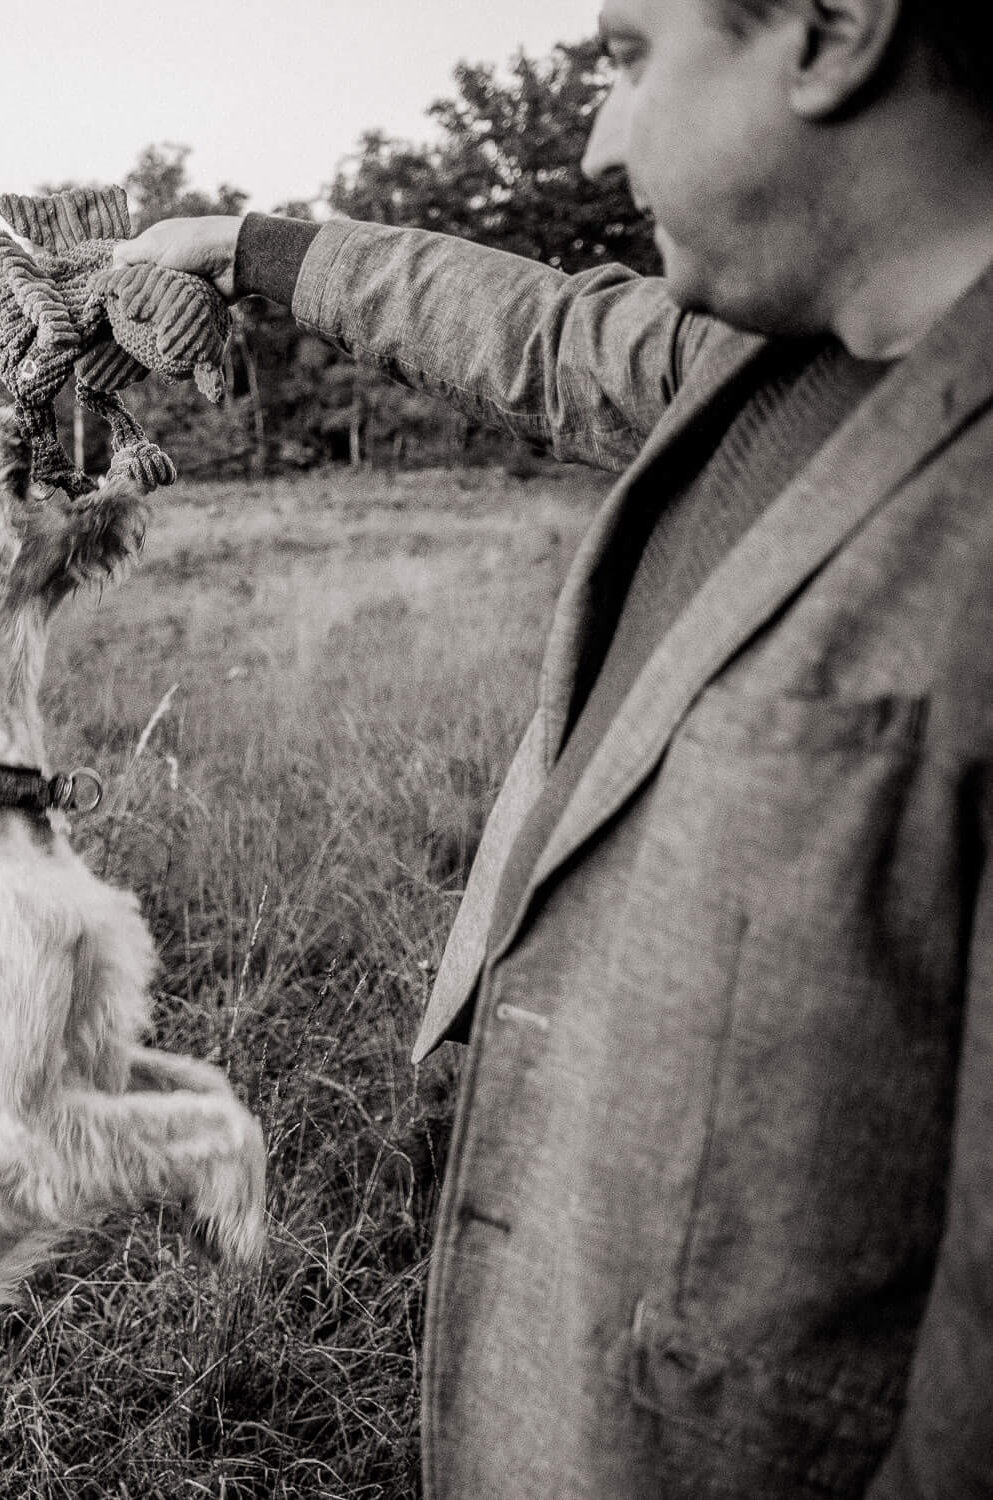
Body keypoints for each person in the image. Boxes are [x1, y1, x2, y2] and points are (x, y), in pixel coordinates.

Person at [114, 0, 992, 1494]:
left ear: (833, 29)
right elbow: (544, 331)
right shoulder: (772, 356)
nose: (595, 128)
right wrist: (244, 247)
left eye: (630, 53)